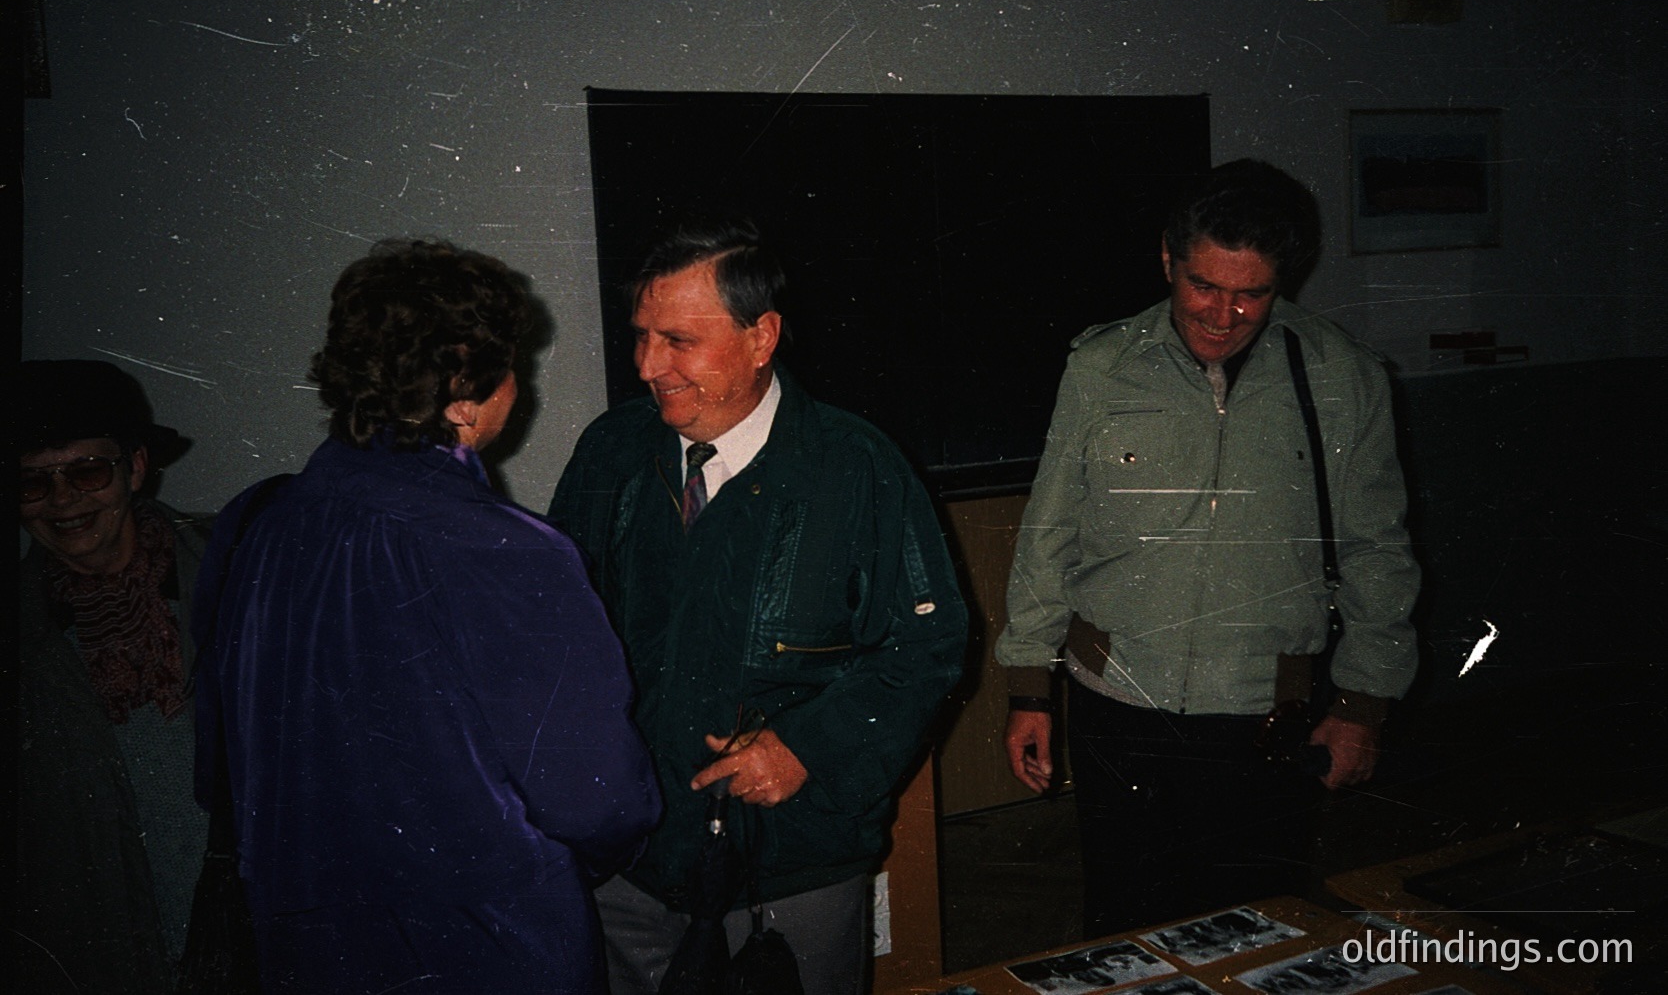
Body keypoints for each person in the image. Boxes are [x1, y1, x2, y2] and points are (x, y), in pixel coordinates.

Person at [194, 239, 661, 994]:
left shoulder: (257, 522)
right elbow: (598, 799)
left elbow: (219, 767)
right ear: (467, 392)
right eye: (517, 365)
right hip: (487, 955)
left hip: (305, 951)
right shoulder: (505, 551)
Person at [996, 159, 1420, 935]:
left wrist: (1362, 705)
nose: (1223, 316)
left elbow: (1378, 553)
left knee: (1253, 930)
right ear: (1168, 258)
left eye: (1250, 294)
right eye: (1203, 286)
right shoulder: (1101, 366)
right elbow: (1049, 530)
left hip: (1262, 715)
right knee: (1124, 928)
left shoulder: (1344, 379)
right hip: (1117, 708)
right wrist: (1030, 686)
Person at [549, 217, 969, 995]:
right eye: (641, 336)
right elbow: (555, 633)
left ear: (761, 336)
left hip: (791, 866)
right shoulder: (611, 453)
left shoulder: (858, 469)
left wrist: (807, 745)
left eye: (678, 340)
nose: (647, 366)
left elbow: (929, 650)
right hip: (630, 858)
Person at [15, 359, 210, 994]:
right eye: (32, 484)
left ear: (134, 468)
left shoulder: (232, 575)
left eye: (87, 471)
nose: (64, 500)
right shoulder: (18, 638)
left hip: (247, 945)